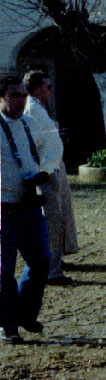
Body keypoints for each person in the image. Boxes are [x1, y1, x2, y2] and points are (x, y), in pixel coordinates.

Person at [1, 76, 51, 344]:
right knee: (3, 269)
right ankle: (8, 326)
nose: (20, 100)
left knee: (42, 261)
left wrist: (43, 172)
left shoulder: (29, 124)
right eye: (14, 95)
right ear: (1, 98)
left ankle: (24, 314)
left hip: (30, 203)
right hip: (3, 206)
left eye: (23, 95)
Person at [23, 71, 78, 284]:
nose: (50, 91)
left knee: (60, 217)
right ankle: (51, 270)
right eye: (47, 87)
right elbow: (33, 144)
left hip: (54, 167)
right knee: (51, 220)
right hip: (46, 171)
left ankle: (57, 260)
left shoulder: (39, 109)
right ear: (36, 88)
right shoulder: (31, 110)